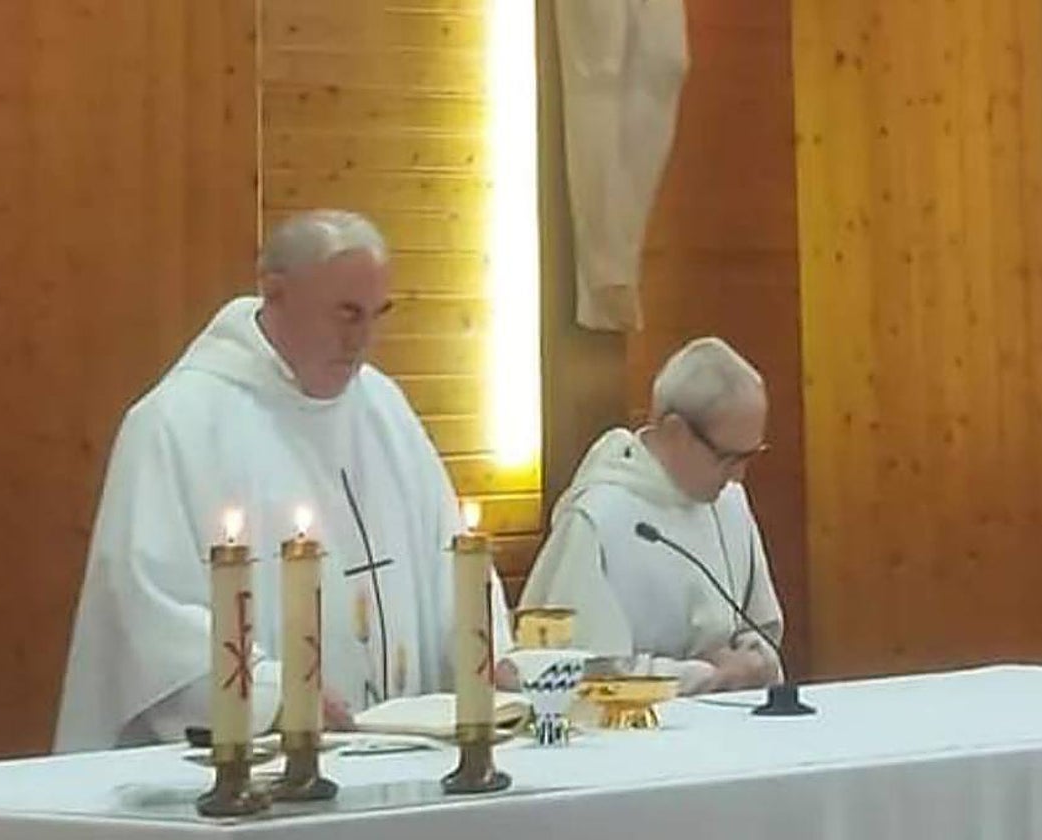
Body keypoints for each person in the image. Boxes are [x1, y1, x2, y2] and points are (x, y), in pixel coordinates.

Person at [54, 209, 513, 752]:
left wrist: (488, 656)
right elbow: (147, 611)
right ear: (275, 293)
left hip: (400, 755)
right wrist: (276, 697)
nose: (362, 339)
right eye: (345, 314)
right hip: (252, 767)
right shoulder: (178, 422)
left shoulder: (383, 409)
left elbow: (449, 563)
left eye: (375, 315)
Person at [519, 337, 783, 695]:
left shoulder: (730, 502)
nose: (739, 476)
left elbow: (760, 628)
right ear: (676, 431)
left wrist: (753, 660)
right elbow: (580, 674)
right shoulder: (600, 517)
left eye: (750, 456)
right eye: (728, 458)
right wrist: (707, 676)